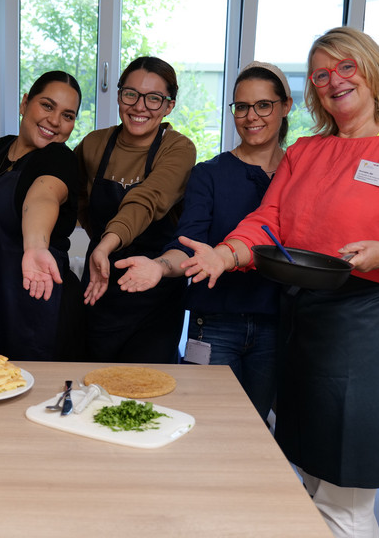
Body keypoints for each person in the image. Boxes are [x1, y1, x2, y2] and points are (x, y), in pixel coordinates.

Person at [178, 27, 379, 538]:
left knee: (345, 502)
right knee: (312, 482)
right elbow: (268, 221)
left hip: (372, 325)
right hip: (306, 321)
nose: (334, 80)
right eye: (321, 74)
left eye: (346, 67)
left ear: (373, 69)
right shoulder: (306, 151)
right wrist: (225, 254)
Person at [114, 62, 292, 422]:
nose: (251, 116)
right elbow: (187, 245)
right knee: (207, 422)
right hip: (213, 324)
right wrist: (159, 266)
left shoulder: (300, 174)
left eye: (263, 105)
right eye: (242, 107)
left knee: (255, 427)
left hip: (277, 324)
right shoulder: (209, 174)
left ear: (285, 106)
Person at [76, 56, 196, 363]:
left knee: (149, 383)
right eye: (130, 94)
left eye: (154, 98)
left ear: (169, 106)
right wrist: (98, 242)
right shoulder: (94, 144)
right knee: (91, 378)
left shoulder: (178, 148)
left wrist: (105, 243)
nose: (140, 107)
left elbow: (146, 199)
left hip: (156, 295)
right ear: (119, 96)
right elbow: (75, 200)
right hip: (100, 284)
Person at [0, 71, 82, 361]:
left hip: (37, 302)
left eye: (68, 115)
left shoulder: (60, 158)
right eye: (47, 105)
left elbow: (42, 197)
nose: (55, 121)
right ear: (25, 103)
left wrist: (35, 247)